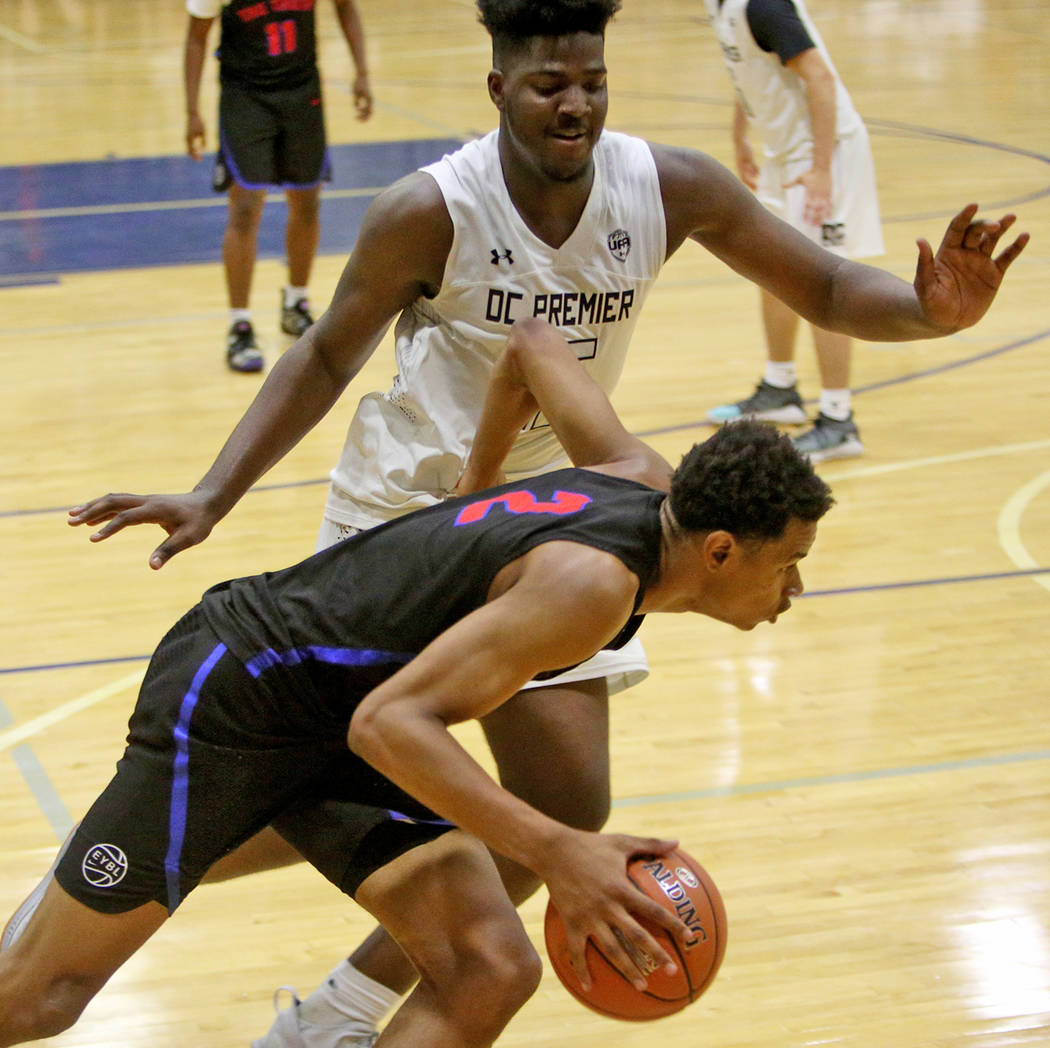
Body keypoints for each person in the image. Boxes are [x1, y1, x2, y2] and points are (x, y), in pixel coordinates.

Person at [69, 1, 1027, 1044]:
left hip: (567, 526)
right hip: (405, 519)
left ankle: (323, 1020)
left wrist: (931, 312)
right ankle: (135, 856)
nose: (577, 102)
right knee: (366, 766)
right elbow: (328, 352)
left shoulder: (668, 186)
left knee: (562, 809)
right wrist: (216, 492)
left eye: (593, 80)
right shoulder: (431, 209)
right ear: (499, 91)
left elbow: (829, 282)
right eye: (549, 85)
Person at [1, 318, 835, 1048]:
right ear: (720, 551)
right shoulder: (591, 588)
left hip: (324, 713)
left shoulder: (639, 472)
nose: (793, 588)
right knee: (40, 1004)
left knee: (489, 968)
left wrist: (476, 493)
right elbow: (389, 726)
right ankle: (98, 877)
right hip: (238, 690)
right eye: (789, 563)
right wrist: (561, 853)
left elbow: (531, 347)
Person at [702, 0, 884, 462]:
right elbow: (747, 69)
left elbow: (819, 78)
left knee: (826, 286)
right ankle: (780, 387)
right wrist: (741, 134)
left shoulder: (764, 5)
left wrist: (822, 170)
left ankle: (839, 420)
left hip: (824, 153)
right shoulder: (721, 5)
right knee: (771, 268)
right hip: (786, 153)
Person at [184, 0, 373, 373]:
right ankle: (239, 323)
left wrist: (362, 70)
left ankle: (296, 303)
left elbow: (345, 7)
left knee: (307, 203)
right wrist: (192, 112)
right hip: (245, 97)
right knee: (244, 209)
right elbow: (196, 37)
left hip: (303, 92)